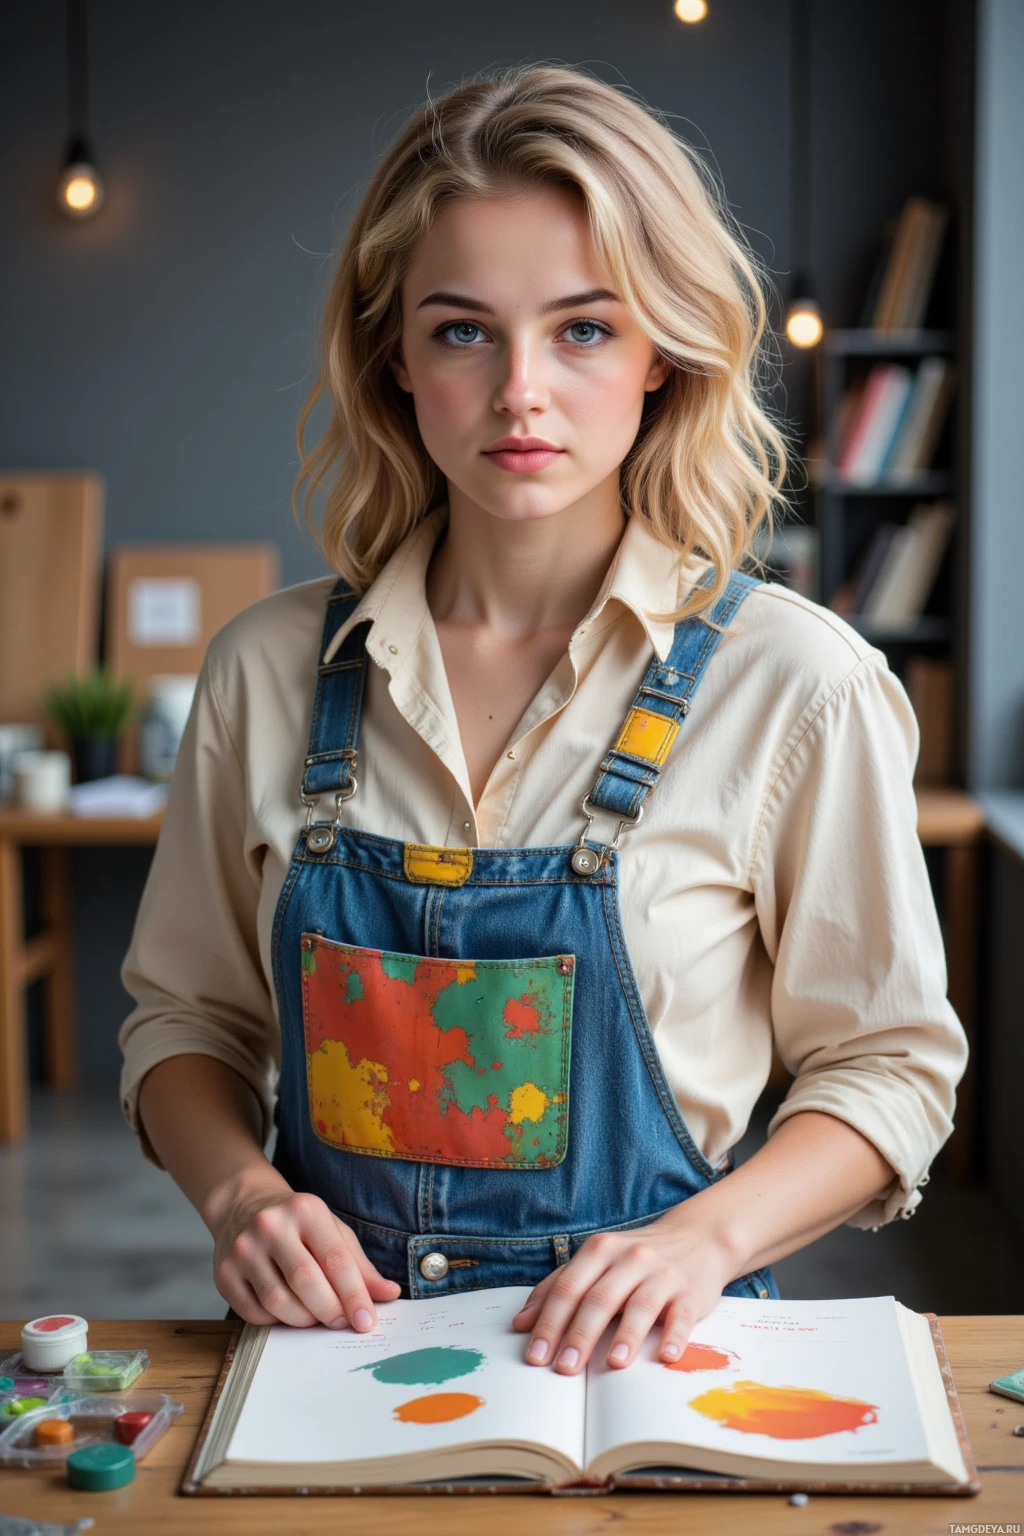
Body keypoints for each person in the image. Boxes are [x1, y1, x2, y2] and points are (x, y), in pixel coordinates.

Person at [119, 63, 968, 1380]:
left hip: (666, 1374)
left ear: (663, 354)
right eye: (463, 329)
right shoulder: (265, 672)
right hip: (334, 1378)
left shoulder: (801, 686)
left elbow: (890, 1068)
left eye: (583, 328)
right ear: (394, 355)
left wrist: (702, 1241)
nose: (522, 390)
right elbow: (184, 1023)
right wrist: (241, 1198)